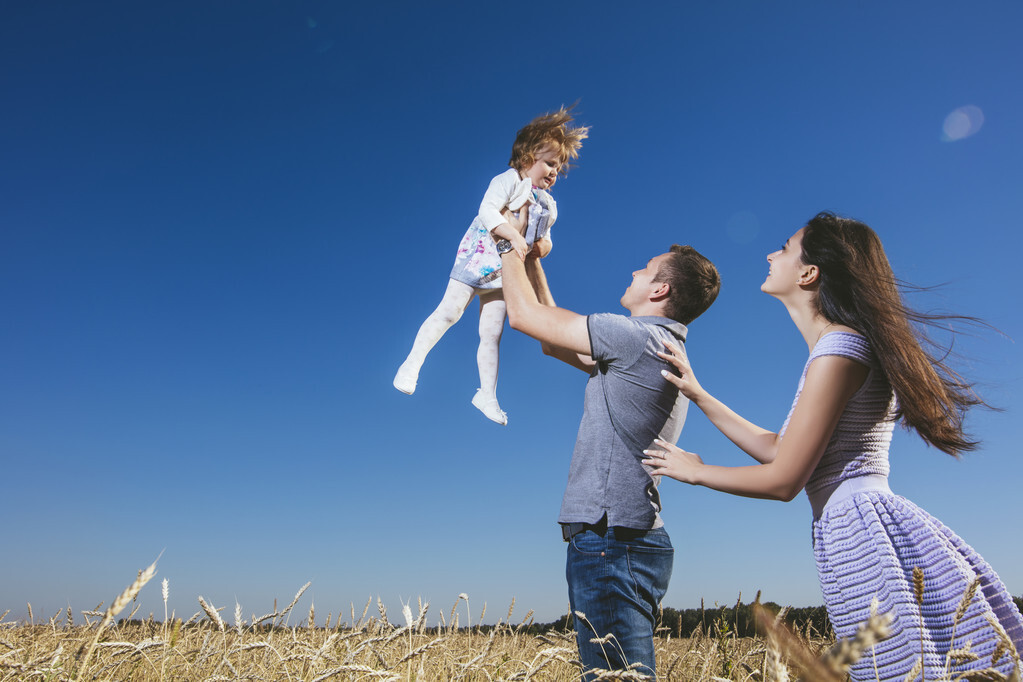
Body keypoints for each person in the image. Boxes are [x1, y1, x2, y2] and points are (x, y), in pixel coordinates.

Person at [643, 212, 1023, 681]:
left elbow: (784, 479)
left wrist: (696, 470)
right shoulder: (838, 347)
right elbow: (783, 449)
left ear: (809, 273)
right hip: (855, 527)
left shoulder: (840, 349)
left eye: (783, 247)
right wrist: (699, 394)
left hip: (860, 532)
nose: (769, 254)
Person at [498, 232, 721, 680]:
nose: (635, 270)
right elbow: (551, 339)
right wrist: (535, 262)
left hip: (611, 540)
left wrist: (506, 245)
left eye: (645, 267)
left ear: (660, 290)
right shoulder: (654, 345)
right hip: (621, 541)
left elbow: (523, 317)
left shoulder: (636, 337)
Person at [392, 107, 589, 425]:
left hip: (504, 271)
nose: (554, 171)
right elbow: (487, 210)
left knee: (491, 333)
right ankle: (412, 363)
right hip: (480, 254)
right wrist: (512, 232)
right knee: (449, 312)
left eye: (559, 166)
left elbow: (547, 241)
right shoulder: (508, 180)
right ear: (527, 157)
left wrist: (541, 247)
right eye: (549, 163)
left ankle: (487, 394)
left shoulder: (548, 205)